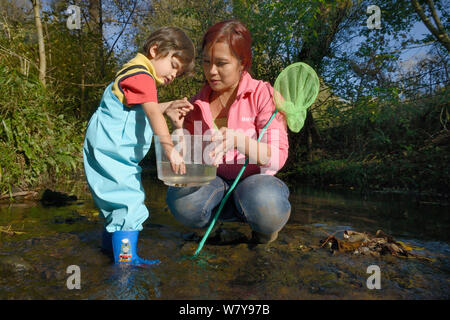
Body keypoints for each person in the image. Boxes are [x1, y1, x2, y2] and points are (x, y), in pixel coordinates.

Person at [166, 20, 291, 244]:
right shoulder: (196, 104)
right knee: (181, 199)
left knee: (267, 203)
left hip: (255, 184)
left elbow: (277, 157)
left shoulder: (263, 94)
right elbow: (189, 164)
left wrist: (239, 141)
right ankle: (212, 229)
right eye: (206, 62)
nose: (211, 72)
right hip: (213, 183)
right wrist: (177, 128)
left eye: (221, 63)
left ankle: (263, 233)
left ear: (242, 63)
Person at [83, 27, 195, 265]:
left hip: (107, 149)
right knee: (129, 201)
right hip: (113, 153)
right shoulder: (142, 75)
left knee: (115, 201)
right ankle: (126, 262)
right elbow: (152, 111)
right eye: (174, 65)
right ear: (155, 50)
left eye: (180, 72)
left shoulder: (134, 73)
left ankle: (110, 251)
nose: (175, 74)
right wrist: (169, 148)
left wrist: (169, 106)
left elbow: (137, 108)